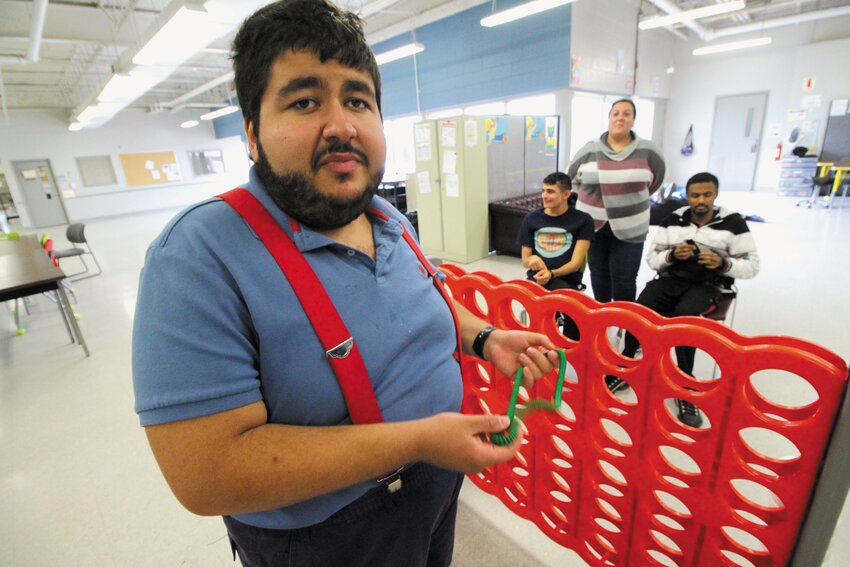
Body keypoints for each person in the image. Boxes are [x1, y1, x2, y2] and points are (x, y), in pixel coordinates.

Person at [131, 2, 559, 566]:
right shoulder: (197, 257)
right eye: (305, 101)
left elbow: (422, 303)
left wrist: (485, 338)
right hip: (325, 535)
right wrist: (418, 440)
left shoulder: (389, 219)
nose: (341, 125)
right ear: (253, 134)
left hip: (437, 485)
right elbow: (207, 476)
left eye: (358, 100)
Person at [614, 171, 760, 428]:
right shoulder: (673, 220)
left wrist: (723, 263)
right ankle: (627, 366)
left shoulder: (734, 223)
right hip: (671, 280)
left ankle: (685, 385)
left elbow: (752, 266)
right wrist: (671, 256)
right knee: (637, 314)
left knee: (684, 324)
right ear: (687, 196)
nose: (700, 200)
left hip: (709, 284)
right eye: (695, 195)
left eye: (707, 194)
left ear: (715, 195)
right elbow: (652, 259)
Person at [567, 98, 666, 304]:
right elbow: (573, 179)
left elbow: (655, 181)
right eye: (616, 113)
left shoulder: (648, 150)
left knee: (625, 279)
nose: (620, 117)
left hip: (632, 225)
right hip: (593, 225)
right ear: (609, 118)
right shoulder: (589, 149)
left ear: (633, 120)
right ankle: (603, 317)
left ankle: (624, 324)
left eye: (626, 113)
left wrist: (627, 197)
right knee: (599, 274)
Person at [517, 172, 594, 339]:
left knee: (573, 308)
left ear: (566, 194)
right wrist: (533, 259)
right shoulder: (531, 219)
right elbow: (525, 260)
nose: (544, 195)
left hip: (567, 279)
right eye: (543, 190)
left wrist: (552, 273)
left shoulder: (583, 220)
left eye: (551, 191)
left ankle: (569, 350)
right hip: (536, 279)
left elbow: (575, 263)